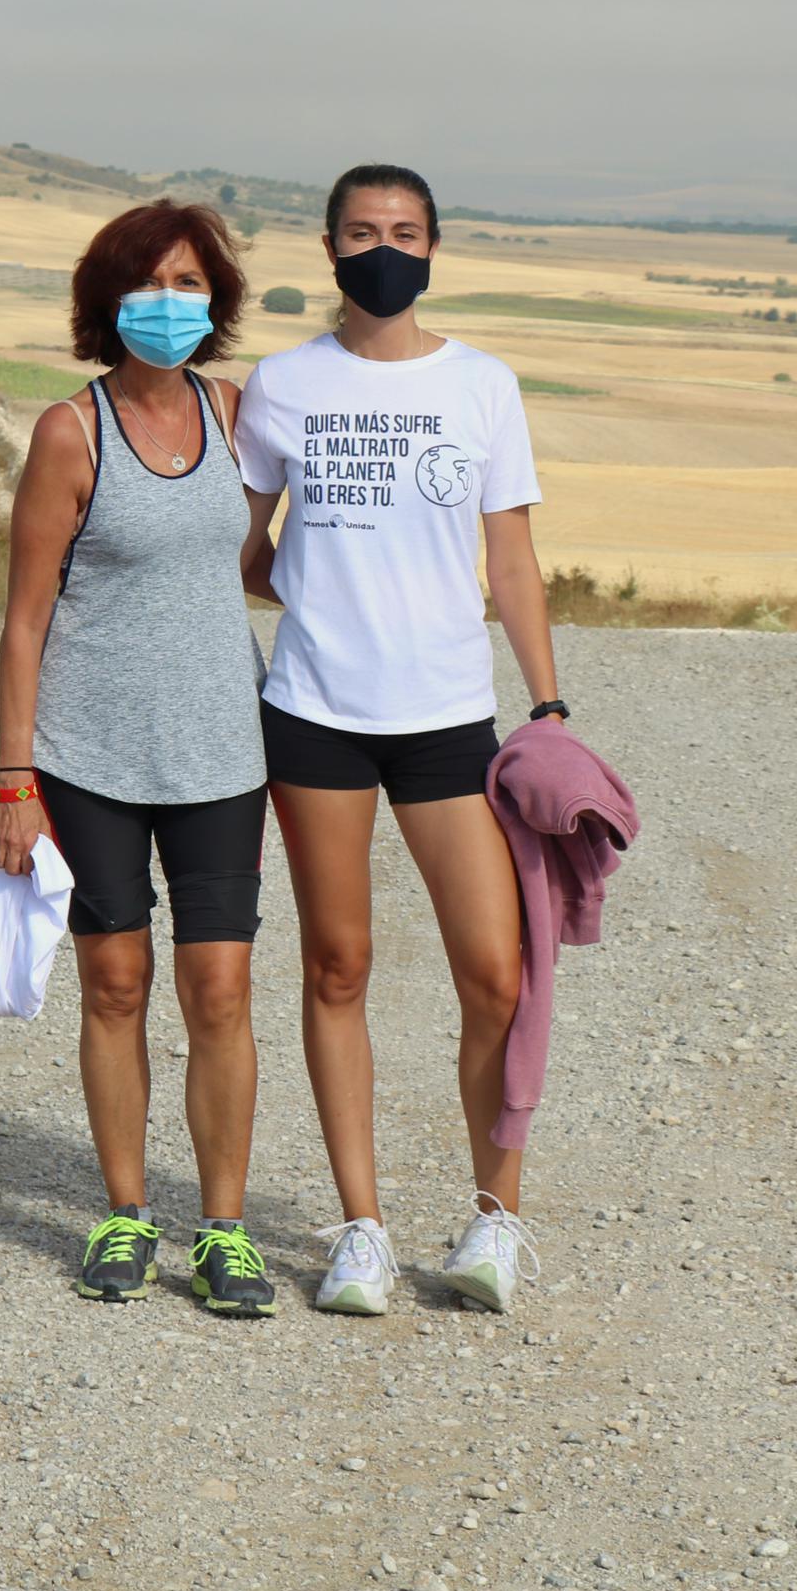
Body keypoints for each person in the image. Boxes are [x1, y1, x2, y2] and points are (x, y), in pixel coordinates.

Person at [235, 162, 564, 1316]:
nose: (386, 246)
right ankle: (361, 1231)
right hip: (315, 713)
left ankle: (493, 1222)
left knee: (498, 973)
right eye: (364, 229)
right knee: (337, 965)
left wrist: (549, 702)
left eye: (407, 230)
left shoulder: (483, 385)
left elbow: (511, 559)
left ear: (436, 246)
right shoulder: (279, 386)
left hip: (446, 720)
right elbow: (243, 543)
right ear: (328, 244)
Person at [0, 197, 278, 1318]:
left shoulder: (238, 412)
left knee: (222, 987)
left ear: (217, 301)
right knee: (115, 983)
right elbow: (23, 618)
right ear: (107, 298)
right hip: (89, 755)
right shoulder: (71, 431)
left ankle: (225, 1229)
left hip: (221, 752)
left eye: (191, 283)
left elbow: (251, 565)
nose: (172, 302)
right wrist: (16, 780)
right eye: (150, 282)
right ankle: (122, 1212)